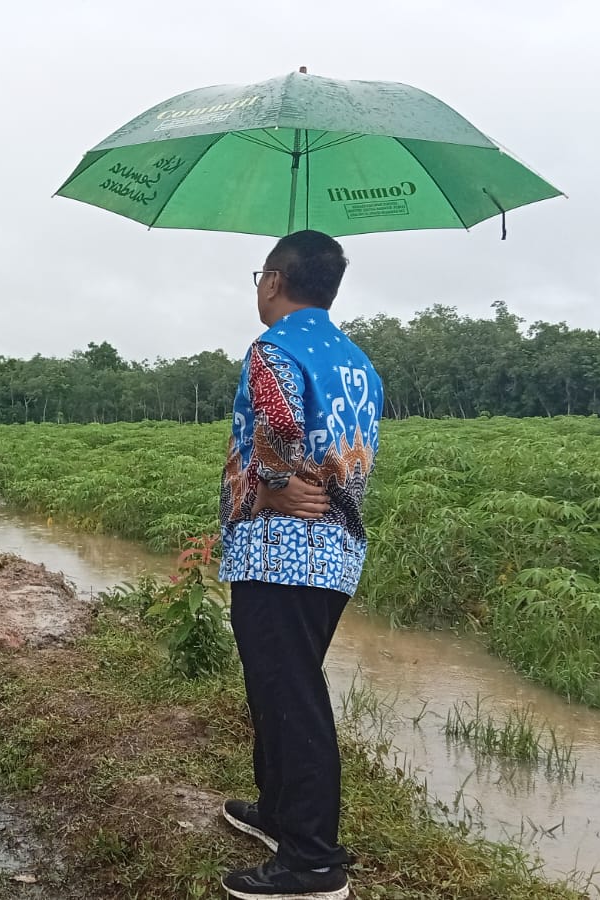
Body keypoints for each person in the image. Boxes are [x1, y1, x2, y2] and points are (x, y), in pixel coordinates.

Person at [216, 231, 383, 900]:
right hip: (335, 553)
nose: (258, 287)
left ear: (275, 281)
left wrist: (270, 479)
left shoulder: (274, 348)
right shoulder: (359, 362)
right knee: (283, 687)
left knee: (292, 698)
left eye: (260, 276)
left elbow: (279, 423)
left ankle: (312, 862)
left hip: (278, 550)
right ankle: (280, 816)